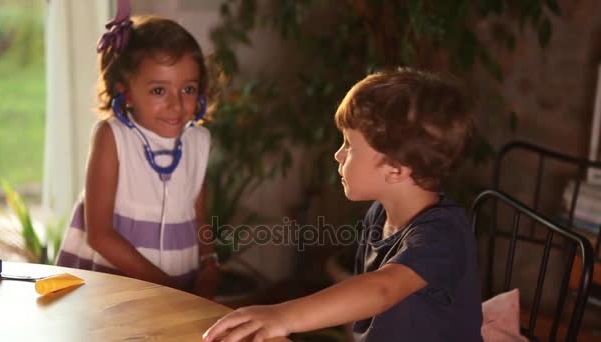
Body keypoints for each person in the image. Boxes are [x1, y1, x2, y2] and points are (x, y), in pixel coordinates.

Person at [203, 67, 483, 341]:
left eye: (349, 145)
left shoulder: (443, 235)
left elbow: (382, 289)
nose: (338, 155)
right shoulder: (378, 214)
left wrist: (283, 316)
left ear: (395, 169)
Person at [56, 1, 217, 299]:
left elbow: (199, 215)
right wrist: (167, 287)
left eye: (188, 89)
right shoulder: (112, 137)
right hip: (117, 285)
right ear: (124, 91)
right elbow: (100, 234)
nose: (176, 104)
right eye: (159, 90)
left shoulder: (198, 142)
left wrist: (209, 262)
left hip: (180, 277)